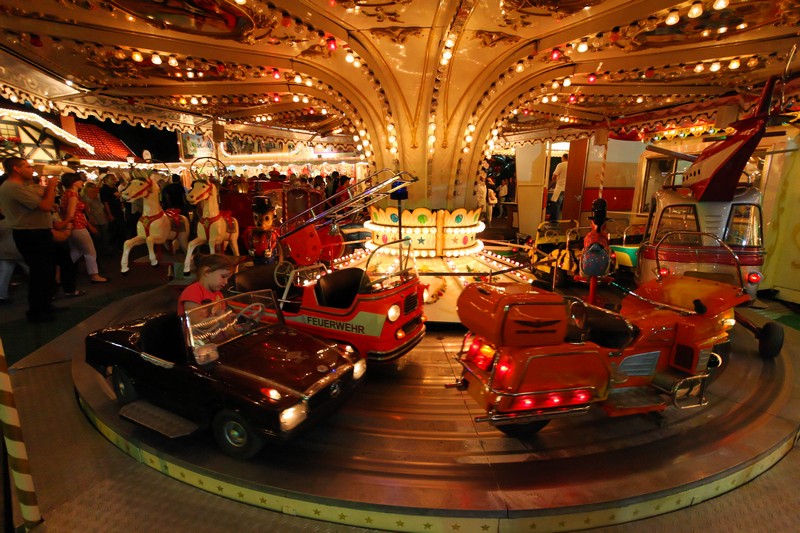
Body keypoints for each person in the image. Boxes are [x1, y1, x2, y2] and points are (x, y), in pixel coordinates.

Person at [0, 157, 59, 322]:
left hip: (36, 232)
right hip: (31, 234)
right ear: (16, 169)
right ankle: (36, 311)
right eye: (27, 166)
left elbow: (41, 202)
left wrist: (47, 191)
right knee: (39, 272)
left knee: (46, 271)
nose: (31, 169)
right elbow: (45, 206)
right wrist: (51, 187)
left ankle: (45, 305)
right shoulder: (13, 187)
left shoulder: (21, 186)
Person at [60, 173, 109, 283]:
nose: (82, 182)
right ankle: (94, 275)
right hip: (77, 226)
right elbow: (71, 214)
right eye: (80, 180)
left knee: (77, 250)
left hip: (74, 226)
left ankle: (62, 269)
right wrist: (70, 226)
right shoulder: (73, 195)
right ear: (74, 182)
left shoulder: (66, 194)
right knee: (90, 251)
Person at [82, 181, 110, 256]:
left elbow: (103, 205)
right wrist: (90, 218)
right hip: (94, 218)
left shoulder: (98, 196)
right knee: (98, 236)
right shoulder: (85, 198)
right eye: (93, 187)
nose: (95, 189)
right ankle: (100, 252)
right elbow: (86, 210)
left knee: (105, 235)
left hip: (102, 217)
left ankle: (106, 250)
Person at [100, 173, 125, 250]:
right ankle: (114, 247)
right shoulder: (104, 189)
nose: (114, 180)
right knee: (115, 230)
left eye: (115, 179)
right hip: (113, 211)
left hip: (118, 210)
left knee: (121, 228)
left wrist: (121, 203)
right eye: (112, 179)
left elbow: (118, 197)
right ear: (107, 180)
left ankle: (121, 246)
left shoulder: (114, 188)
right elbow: (105, 202)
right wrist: (109, 214)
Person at [549, 153, 568, 222]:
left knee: (556, 204)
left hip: (560, 187)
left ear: (563, 158)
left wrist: (551, 183)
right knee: (563, 205)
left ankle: (554, 221)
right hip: (567, 188)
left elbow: (554, 176)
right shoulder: (571, 165)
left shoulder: (561, 165)